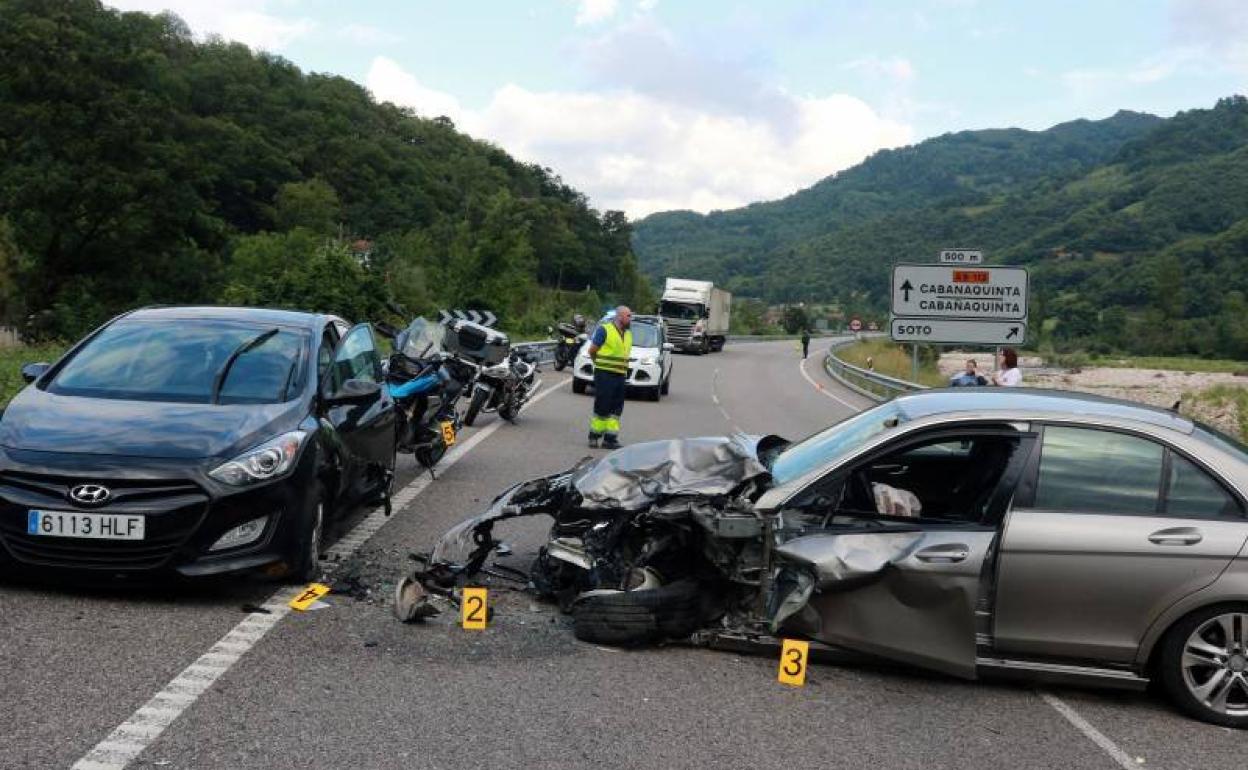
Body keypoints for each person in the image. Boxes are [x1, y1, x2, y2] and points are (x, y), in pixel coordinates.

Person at [587, 306, 633, 449]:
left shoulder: (628, 334)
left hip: (620, 375)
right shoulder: (605, 329)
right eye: (628, 316)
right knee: (602, 405)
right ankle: (594, 436)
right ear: (620, 317)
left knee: (616, 408)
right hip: (604, 374)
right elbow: (592, 350)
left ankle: (610, 438)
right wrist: (598, 364)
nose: (631, 319)